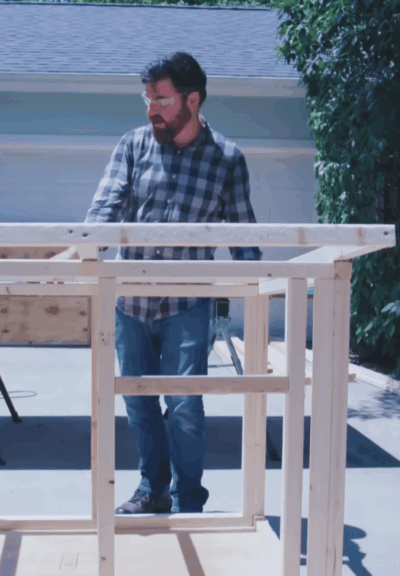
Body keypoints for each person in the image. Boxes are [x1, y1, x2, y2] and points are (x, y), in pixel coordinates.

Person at [52, 52, 262, 514]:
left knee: (184, 404)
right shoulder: (132, 146)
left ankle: (189, 500)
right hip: (129, 301)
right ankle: (153, 490)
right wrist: (80, 251)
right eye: (147, 99)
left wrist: (261, 281)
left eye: (161, 100)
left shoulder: (227, 159)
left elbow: (244, 234)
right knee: (137, 402)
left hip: (188, 303)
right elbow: (105, 209)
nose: (151, 109)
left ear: (192, 100)